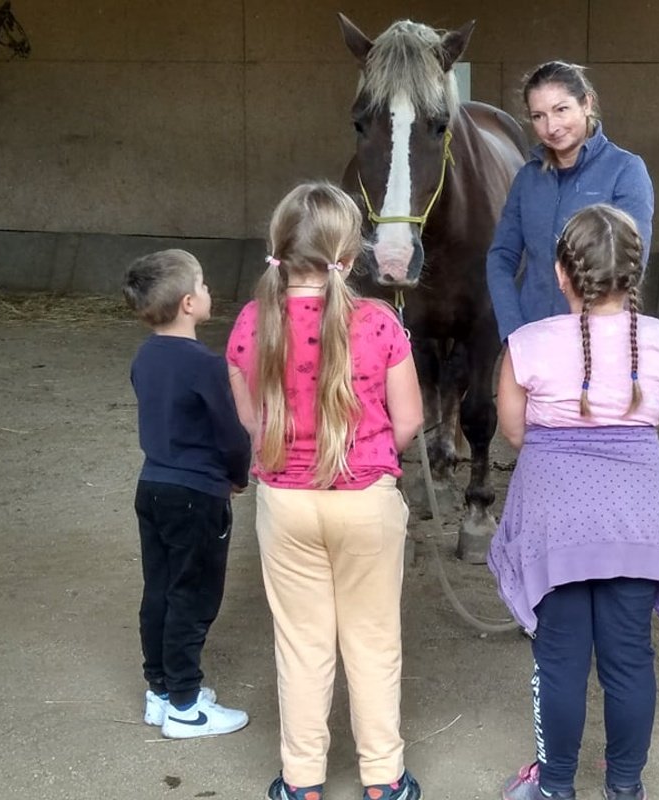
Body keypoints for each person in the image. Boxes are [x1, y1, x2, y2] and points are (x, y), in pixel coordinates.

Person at [225, 182, 425, 800]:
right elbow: (410, 420)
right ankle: (383, 778)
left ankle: (302, 781)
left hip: (285, 501)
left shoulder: (252, 322)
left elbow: (251, 420)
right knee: (373, 640)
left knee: (301, 644)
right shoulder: (380, 321)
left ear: (279, 247)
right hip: (366, 499)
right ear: (350, 253)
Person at [488, 204, 659, 800]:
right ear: (636, 271)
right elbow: (656, 417)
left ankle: (555, 786)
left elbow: (514, 431)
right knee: (630, 658)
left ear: (561, 273)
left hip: (556, 521)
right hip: (636, 519)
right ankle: (625, 786)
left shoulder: (525, 345)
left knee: (559, 660)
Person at [122, 248, 252, 739]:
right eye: (202, 284)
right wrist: (238, 475)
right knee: (193, 596)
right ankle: (185, 704)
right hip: (197, 494)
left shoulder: (144, 357)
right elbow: (232, 435)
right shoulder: (206, 365)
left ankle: (159, 689)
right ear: (188, 303)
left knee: (159, 588)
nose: (208, 291)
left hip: (152, 486)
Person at [486, 61, 656, 343]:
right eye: (538, 116)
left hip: (599, 341)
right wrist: (513, 331)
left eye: (561, 109)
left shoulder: (625, 171)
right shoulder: (527, 178)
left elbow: (631, 262)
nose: (551, 127)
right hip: (534, 338)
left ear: (586, 103)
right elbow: (501, 257)